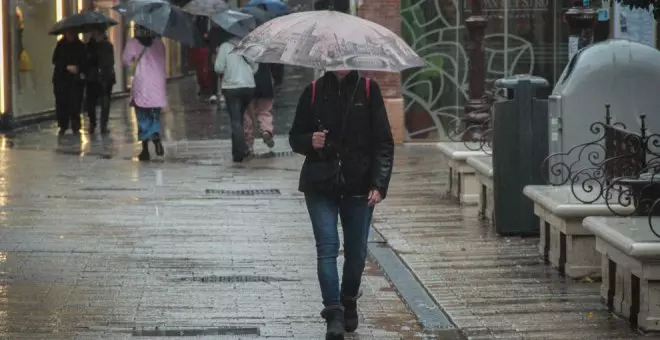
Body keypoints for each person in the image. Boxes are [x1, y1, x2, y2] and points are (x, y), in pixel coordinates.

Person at [288, 70, 394, 340]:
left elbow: (383, 142)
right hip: (320, 185)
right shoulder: (312, 92)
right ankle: (333, 312)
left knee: (356, 253)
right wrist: (310, 140)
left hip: (359, 185)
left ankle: (348, 298)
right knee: (327, 248)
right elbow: (294, 138)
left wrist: (379, 184)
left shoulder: (369, 91)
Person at [122, 25, 167, 161]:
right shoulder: (159, 43)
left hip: (142, 84)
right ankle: (156, 136)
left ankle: (145, 149)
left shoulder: (133, 43)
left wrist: (134, 62)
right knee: (154, 115)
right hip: (157, 85)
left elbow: (125, 61)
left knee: (142, 117)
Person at [214, 36, 258, 162]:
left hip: (232, 87)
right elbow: (255, 68)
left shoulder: (224, 46)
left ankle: (241, 150)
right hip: (249, 86)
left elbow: (218, 68)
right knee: (240, 118)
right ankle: (236, 151)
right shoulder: (249, 45)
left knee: (235, 120)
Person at [52, 29, 87, 136]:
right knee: (62, 102)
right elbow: (55, 60)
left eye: (72, 33)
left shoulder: (81, 46)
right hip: (61, 79)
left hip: (75, 81)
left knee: (75, 103)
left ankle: (75, 125)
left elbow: (85, 62)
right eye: (68, 33)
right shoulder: (60, 45)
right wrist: (66, 66)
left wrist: (78, 68)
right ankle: (63, 125)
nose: (70, 35)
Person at [85, 28, 116, 135]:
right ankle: (92, 123)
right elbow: (87, 61)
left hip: (106, 79)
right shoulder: (89, 46)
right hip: (92, 78)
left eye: (98, 33)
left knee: (105, 103)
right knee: (91, 103)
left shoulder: (108, 46)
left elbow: (110, 62)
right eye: (94, 33)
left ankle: (103, 125)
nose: (96, 35)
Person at [244, 62, 275, 152]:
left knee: (247, 114)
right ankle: (266, 130)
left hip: (248, 83)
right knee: (265, 111)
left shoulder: (244, 51)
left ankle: (248, 141)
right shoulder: (265, 52)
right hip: (265, 83)